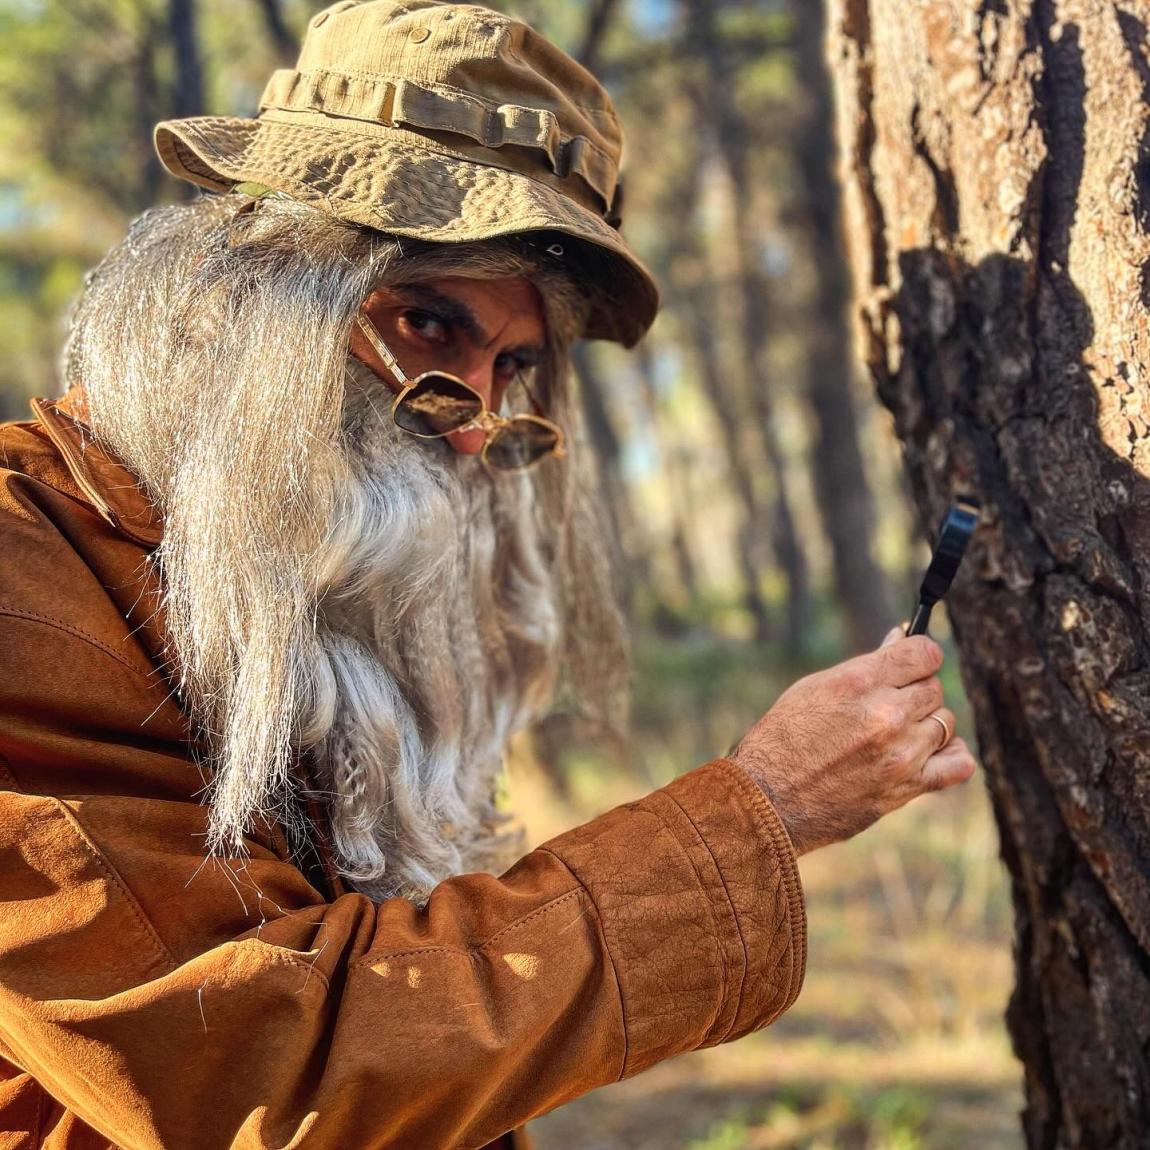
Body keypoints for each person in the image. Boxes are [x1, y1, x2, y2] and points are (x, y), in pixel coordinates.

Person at [0, 2, 977, 1148]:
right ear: (251, 287)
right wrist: (761, 809)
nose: (471, 427)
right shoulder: (26, 563)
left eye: (510, 365)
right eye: (428, 323)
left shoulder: (295, 558)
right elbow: (247, 1064)